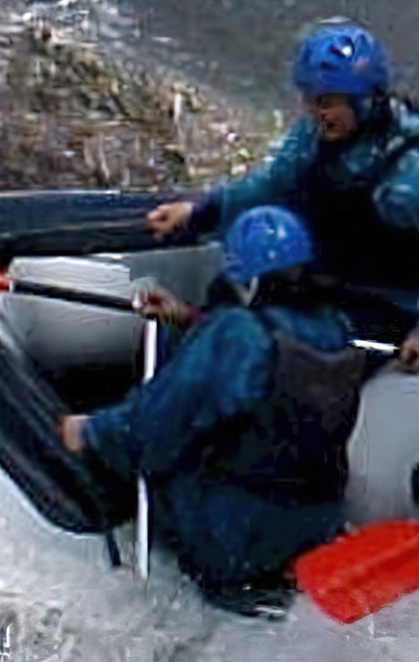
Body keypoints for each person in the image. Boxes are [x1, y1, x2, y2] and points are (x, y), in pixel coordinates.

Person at [59, 206, 366, 612]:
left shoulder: (234, 334)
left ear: (247, 279)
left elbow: (149, 433)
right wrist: (190, 321)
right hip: (314, 526)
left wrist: (91, 431)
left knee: (160, 452)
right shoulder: (335, 329)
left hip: (232, 538)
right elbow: (262, 353)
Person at [145, 20, 419, 374]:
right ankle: (204, 337)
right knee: (237, 283)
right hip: (326, 282)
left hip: (388, 303)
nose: (314, 111)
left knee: (274, 341)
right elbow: (267, 184)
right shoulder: (316, 134)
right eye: (309, 99)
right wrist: (200, 211)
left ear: (364, 100)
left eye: (326, 102)